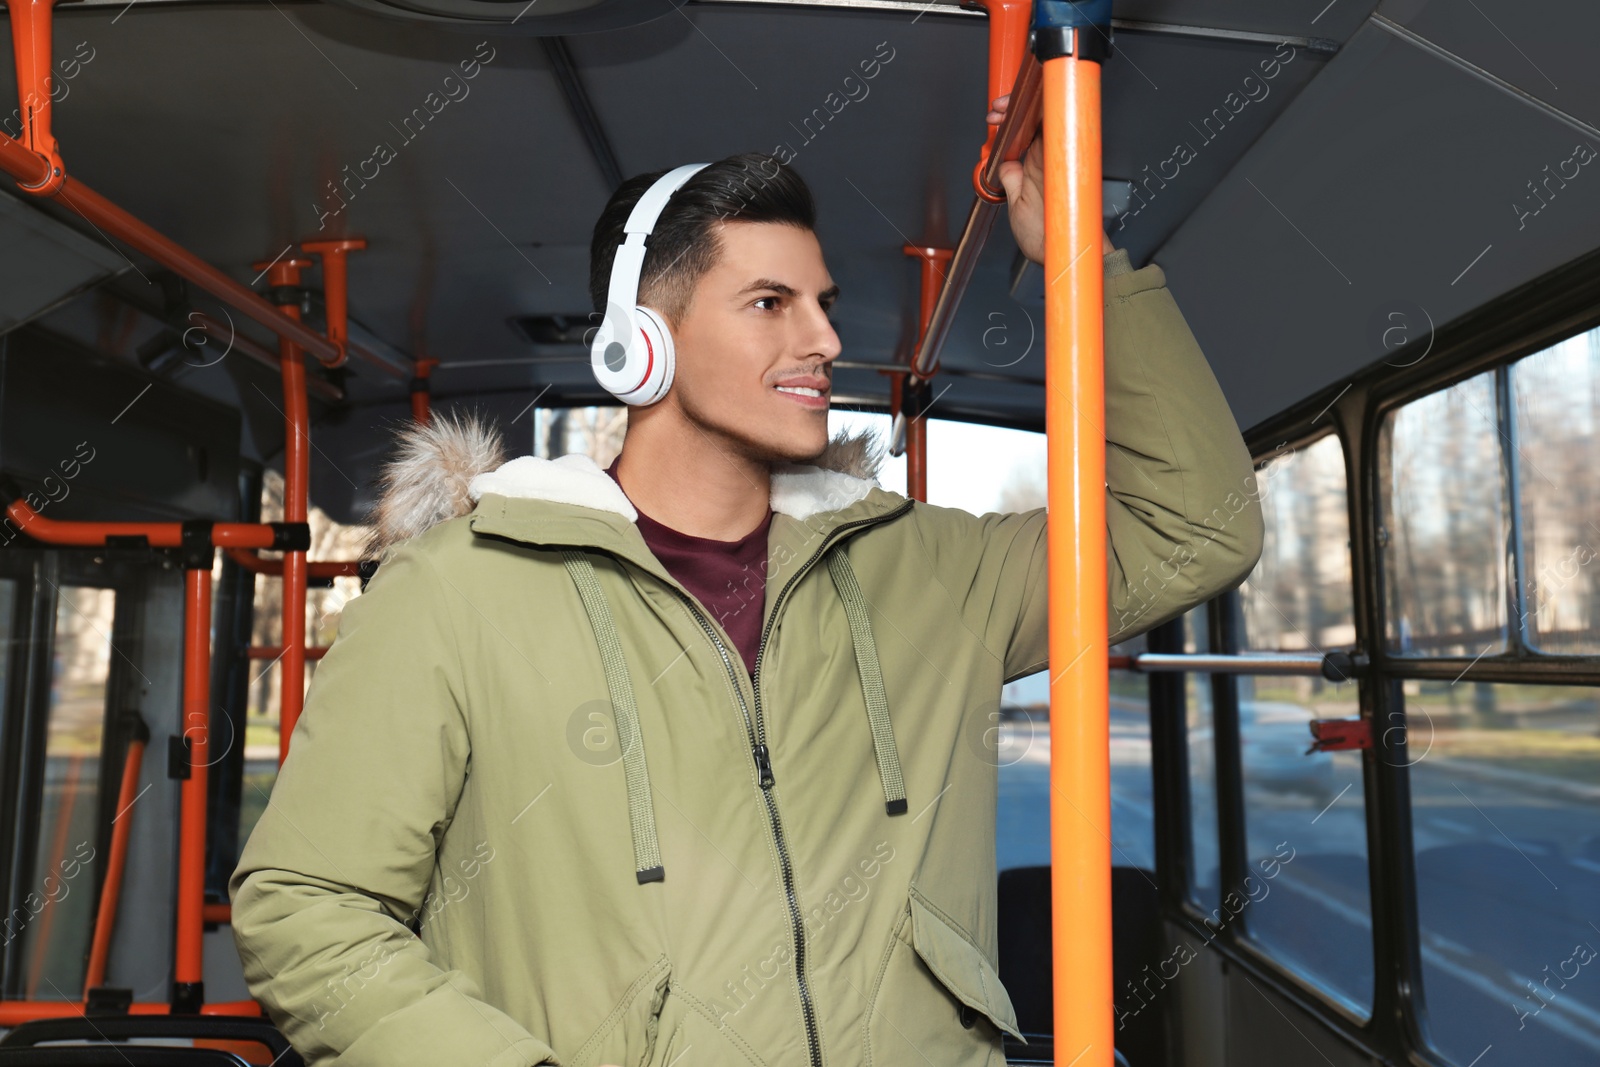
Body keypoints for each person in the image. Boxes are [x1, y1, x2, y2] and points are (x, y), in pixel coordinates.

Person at [229, 96, 1263, 1067]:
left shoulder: (930, 571)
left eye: (821, 303)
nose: (822, 339)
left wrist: (1086, 266)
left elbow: (1193, 526)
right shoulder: (456, 595)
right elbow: (308, 903)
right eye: (769, 302)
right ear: (642, 344)